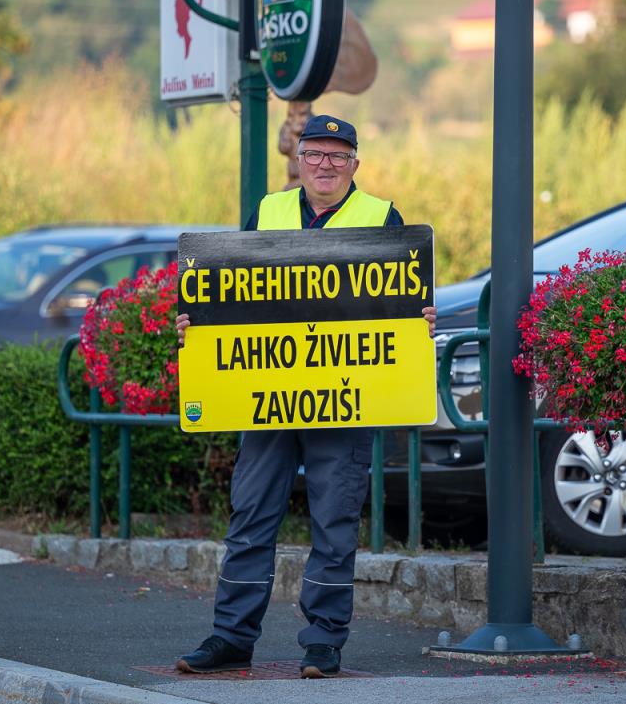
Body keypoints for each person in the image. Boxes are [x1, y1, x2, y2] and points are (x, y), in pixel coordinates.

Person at [174, 114, 436, 679]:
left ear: (355, 165)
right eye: (315, 153)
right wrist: (196, 325)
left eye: (338, 156)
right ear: (297, 159)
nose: (324, 164)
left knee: (334, 523)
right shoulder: (267, 211)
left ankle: (323, 643)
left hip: (344, 402)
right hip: (266, 399)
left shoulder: (382, 217)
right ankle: (231, 637)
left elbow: (397, 302)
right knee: (249, 517)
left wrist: (421, 319)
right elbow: (230, 295)